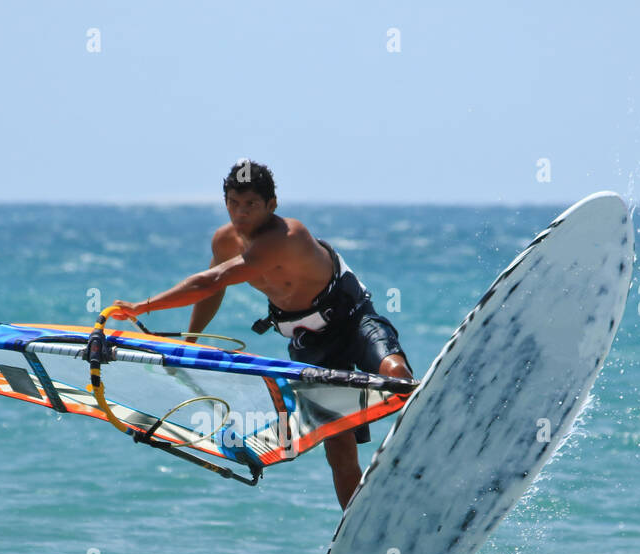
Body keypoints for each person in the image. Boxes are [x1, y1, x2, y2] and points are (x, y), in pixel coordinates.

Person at [108, 160, 413, 508]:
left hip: (353, 320)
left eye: (251, 204)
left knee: (396, 376)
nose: (241, 213)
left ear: (272, 204)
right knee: (340, 451)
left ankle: (419, 445)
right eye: (233, 204)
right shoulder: (225, 242)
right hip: (310, 345)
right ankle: (361, 531)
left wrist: (142, 307)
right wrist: (190, 340)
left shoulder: (288, 236)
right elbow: (213, 291)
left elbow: (211, 281)